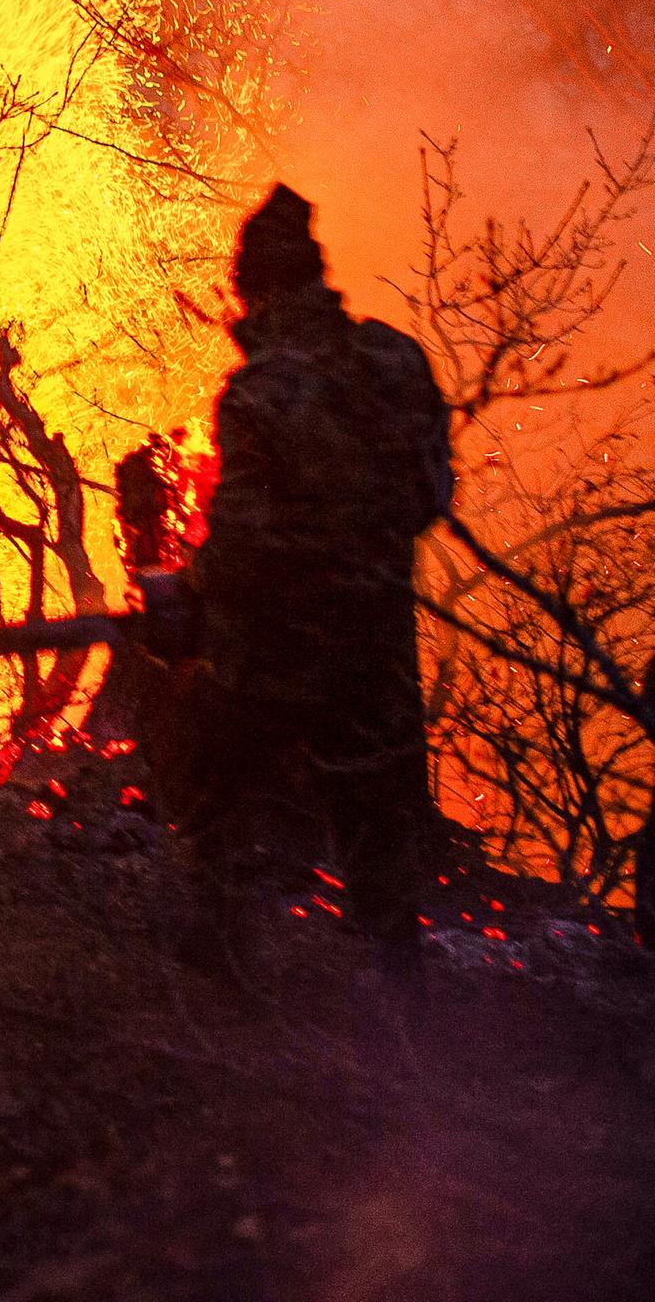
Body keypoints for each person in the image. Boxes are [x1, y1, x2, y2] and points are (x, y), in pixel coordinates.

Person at [156, 184, 453, 981]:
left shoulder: (261, 392)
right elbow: (430, 499)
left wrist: (189, 591)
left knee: (210, 755)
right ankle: (400, 996)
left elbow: (246, 546)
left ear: (256, 290)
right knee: (378, 822)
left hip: (282, 659)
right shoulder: (395, 362)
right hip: (381, 652)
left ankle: (223, 949)